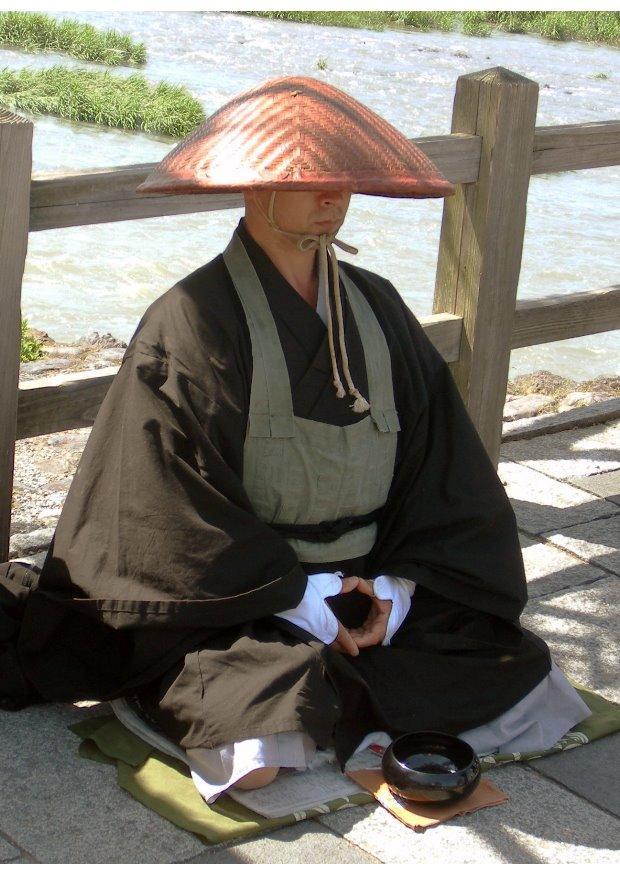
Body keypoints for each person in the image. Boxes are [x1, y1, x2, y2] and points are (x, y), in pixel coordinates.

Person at [0, 76, 590, 802]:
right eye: (308, 176)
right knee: (259, 733)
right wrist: (304, 598)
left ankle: (367, 660)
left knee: (525, 678)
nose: (332, 193)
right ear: (252, 185)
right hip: (242, 599)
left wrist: (394, 595)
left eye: (342, 175)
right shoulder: (189, 321)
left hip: (368, 583)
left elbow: (445, 476)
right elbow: (164, 511)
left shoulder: (376, 306)